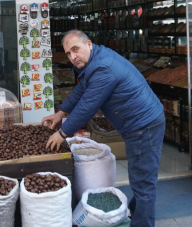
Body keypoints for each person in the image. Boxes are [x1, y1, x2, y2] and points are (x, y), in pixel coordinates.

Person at [42, 30, 165, 227]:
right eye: (68, 53)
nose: (72, 57)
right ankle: (136, 212)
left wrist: (62, 133)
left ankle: (143, 223)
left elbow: (87, 106)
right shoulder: (97, 59)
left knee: (144, 183)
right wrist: (61, 112)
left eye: (76, 49)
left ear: (88, 44)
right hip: (140, 122)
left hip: (144, 125)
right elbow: (82, 89)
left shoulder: (103, 68)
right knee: (141, 178)